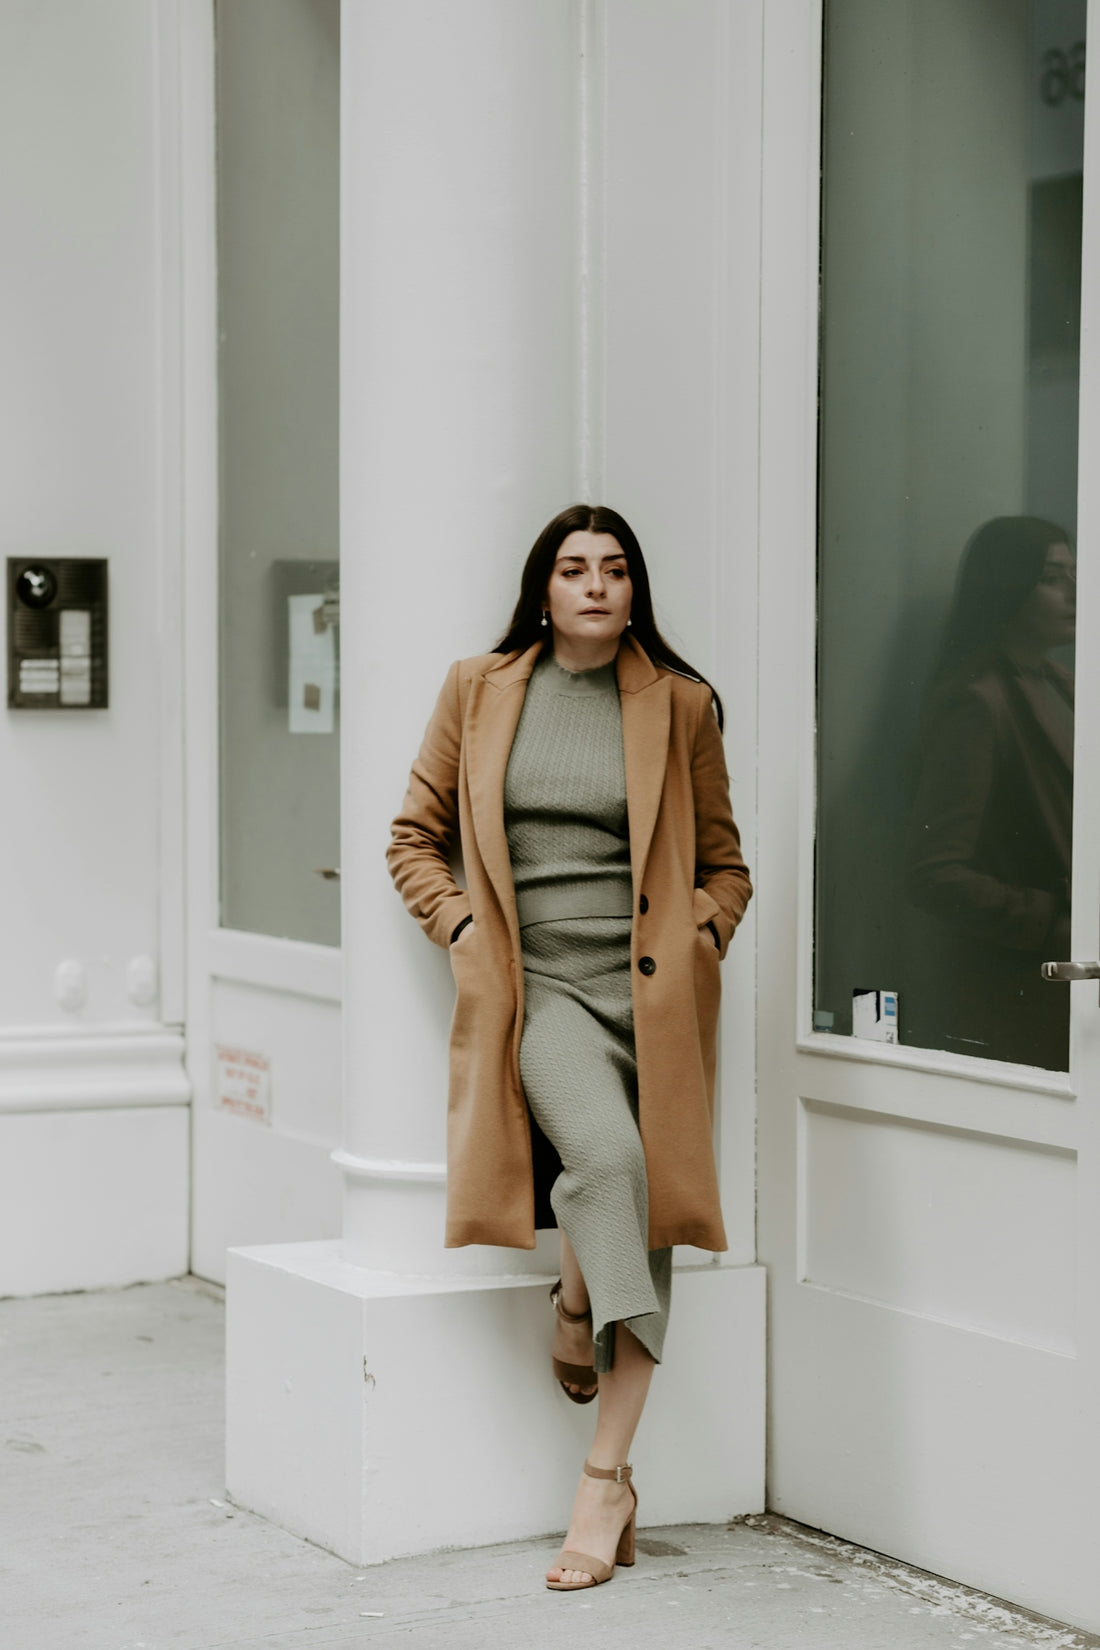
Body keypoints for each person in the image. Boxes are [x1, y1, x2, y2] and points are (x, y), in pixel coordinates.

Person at [387, 503, 751, 1591]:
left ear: (634, 591)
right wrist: (460, 926)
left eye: (614, 569)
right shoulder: (479, 688)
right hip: (540, 993)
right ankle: (579, 1298)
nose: (594, 585)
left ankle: (605, 1478)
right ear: (540, 589)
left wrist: (704, 931)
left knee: (640, 1213)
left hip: (653, 1002)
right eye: (572, 568)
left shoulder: (679, 705)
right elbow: (413, 838)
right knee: (615, 1169)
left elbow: (725, 863)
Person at [906, 515, 1075, 1070]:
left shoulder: (1064, 684)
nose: (1073, 592)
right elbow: (935, 874)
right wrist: (1051, 921)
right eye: (1053, 577)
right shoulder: (979, 701)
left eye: (1073, 574)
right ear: (1009, 586)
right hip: (1022, 995)